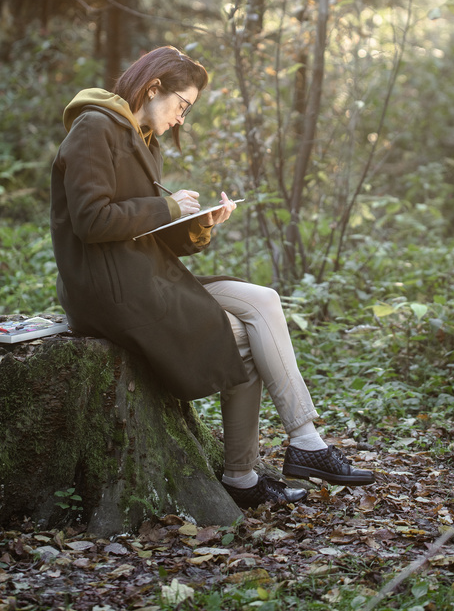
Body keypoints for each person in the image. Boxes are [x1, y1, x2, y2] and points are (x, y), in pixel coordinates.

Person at [50, 45, 374, 508]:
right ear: (154, 87)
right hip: (108, 289)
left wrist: (200, 223)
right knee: (243, 339)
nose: (181, 119)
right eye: (182, 106)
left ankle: (305, 442)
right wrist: (167, 205)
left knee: (263, 300)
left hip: (145, 274)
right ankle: (244, 475)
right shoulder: (94, 128)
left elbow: (149, 233)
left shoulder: (143, 139)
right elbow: (92, 220)